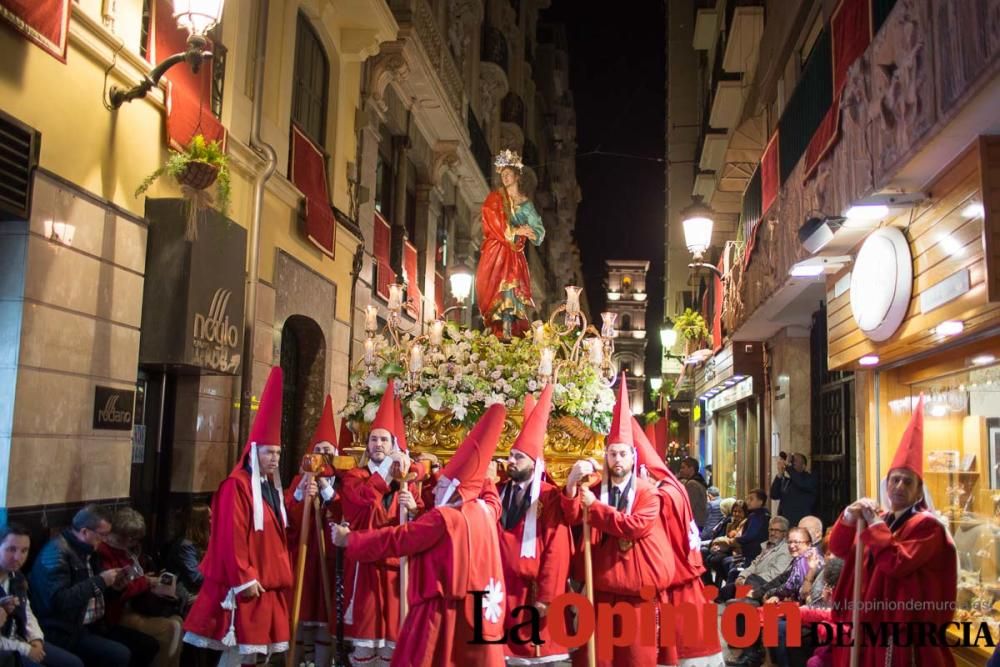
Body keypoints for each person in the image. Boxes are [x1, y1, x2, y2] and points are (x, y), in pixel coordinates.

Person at [332, 404, 509, 667]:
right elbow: (491, 498)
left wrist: (350, 539)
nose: (436, 491)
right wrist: (486, 478)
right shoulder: (484, 512)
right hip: (478, 614)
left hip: (441, 612)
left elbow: (399, 538)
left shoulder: (445, 517)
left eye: (441, 485)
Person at [829, 395, 956, 667]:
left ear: (919, 490)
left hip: (901, 634)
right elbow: (840, 550)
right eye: (894, 479)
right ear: (886, 485)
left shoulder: (927, 526)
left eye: (906, 481)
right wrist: (850, 517)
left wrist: (873, 524)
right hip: (867, 627)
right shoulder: (882, 520)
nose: (898, 486)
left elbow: (897, 563)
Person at [183, 366, 294, 665]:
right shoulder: (237, 486)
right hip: (247, 584)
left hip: (267, 584)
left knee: (256, 657)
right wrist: (244, 578)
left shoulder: (269, 488)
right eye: (269, 452)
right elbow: (232, 536)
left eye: (278, 454)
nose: (274, 459)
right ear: (254, 451)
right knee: (237, 654)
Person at [561, 376, 667, 667]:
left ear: (632, 458)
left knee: (636, 658)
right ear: (605, 456)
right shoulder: (593, 488)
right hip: (599, 589)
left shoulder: (648, 493)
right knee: (597, 658)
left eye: (623, 454)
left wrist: (595, 508)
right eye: (612, 454)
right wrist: (571, 486)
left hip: (636, 594)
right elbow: (571, 517)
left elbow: (635, 526)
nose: (617, 459)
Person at [337, 382, 423, 666]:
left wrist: (413, 509)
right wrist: (388, 473)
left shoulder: (407, 485)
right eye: (373, 439)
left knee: (392, 647)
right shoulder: (355, 476)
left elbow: (420, 524)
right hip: (366, 568)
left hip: (396, 570)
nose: (378, 445)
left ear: (394, 445)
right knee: (364, 646)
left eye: (384, 440)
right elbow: (363, 505)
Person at [632, 419, 724, 666]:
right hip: (684, 576)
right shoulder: (672, 487)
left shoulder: (662, 495)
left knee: (680, 648)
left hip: (675, 576)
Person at [496, 386, 572, 664]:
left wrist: (549, 596)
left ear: (535, 462)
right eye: (510, 455)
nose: (510, 461)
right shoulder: (497, 490)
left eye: (518, 457)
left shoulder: (549, 496)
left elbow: (557, 548)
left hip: (534, 595)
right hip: (502, 590)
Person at [29, 505, 159, 667]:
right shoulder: (56, 554)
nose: (105, 540)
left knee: (146, 646)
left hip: (94, 624)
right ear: (84, 532)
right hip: (63, 630)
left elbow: (100, 595)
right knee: (119, 654)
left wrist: (116, 588)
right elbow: (59, 602)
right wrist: (100, 581)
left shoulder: (90, 550)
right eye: (102, 535)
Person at [285, 394, 341, 667]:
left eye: (328, 451)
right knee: (299, 616)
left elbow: (344, 513)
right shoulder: (299, 480)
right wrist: (299, 495)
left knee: (323, 618)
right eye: (319, 450)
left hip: (328, 561)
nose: (323, 456)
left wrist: (329, 493)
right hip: (304, 558)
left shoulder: (342, 482)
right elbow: (289, 520)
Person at [97, 508, 183, 667]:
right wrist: (146, 582)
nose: (135, 542)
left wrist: (150, 581)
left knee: (178, 621)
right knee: (170, 628)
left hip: (138, 606)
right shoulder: (105, 552)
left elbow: (136, 577)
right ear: (122, 535)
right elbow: (118, 590)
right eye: (132, 538)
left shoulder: (128, 551)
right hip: (119, 612)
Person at [475, 149, 545, 340]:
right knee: (493, 292)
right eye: (503, 175)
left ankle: (507, 331)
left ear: (517, 176)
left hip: (513, 256)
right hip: (495, 252)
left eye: (508, 174)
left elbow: (539, 230)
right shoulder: (494, 199)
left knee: (510, 292)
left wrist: (532, 233)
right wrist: (515, 231)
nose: (505, 178)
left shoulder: (526, 204)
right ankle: (494, 329)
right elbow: (491, 220)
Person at [0, 524, 82, 666]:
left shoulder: (17, 577)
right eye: (11, 549)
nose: (18, 557)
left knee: (73, 663)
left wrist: (36, 639)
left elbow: (27, 611)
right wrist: (26, 649)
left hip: (21, 638)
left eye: (24, 550)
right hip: (6, 649)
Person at [163, 504, 210, 598]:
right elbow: (196, 578)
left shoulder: (205, 540)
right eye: (209, 518)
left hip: (200, 588)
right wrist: (220, 576)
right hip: (187, 592)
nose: (214, 520)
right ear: (200, 522)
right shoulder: (185, 546)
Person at [770, 453, 818, 526]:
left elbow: (801, 483)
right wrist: (779, 474)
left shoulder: (810, 479)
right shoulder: (788, 481)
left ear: (804, 466)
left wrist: (788, 467)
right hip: (785, 523)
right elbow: (774, 495)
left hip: (801, 522)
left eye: (795, 460)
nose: (792, 462)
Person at [678, 457, 708, 529]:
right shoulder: (698, 481)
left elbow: (689, 506)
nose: (681, 470)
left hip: (694, 524)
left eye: (683, 467)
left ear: (691, 469)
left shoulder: (692, 484)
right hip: (698, 523)